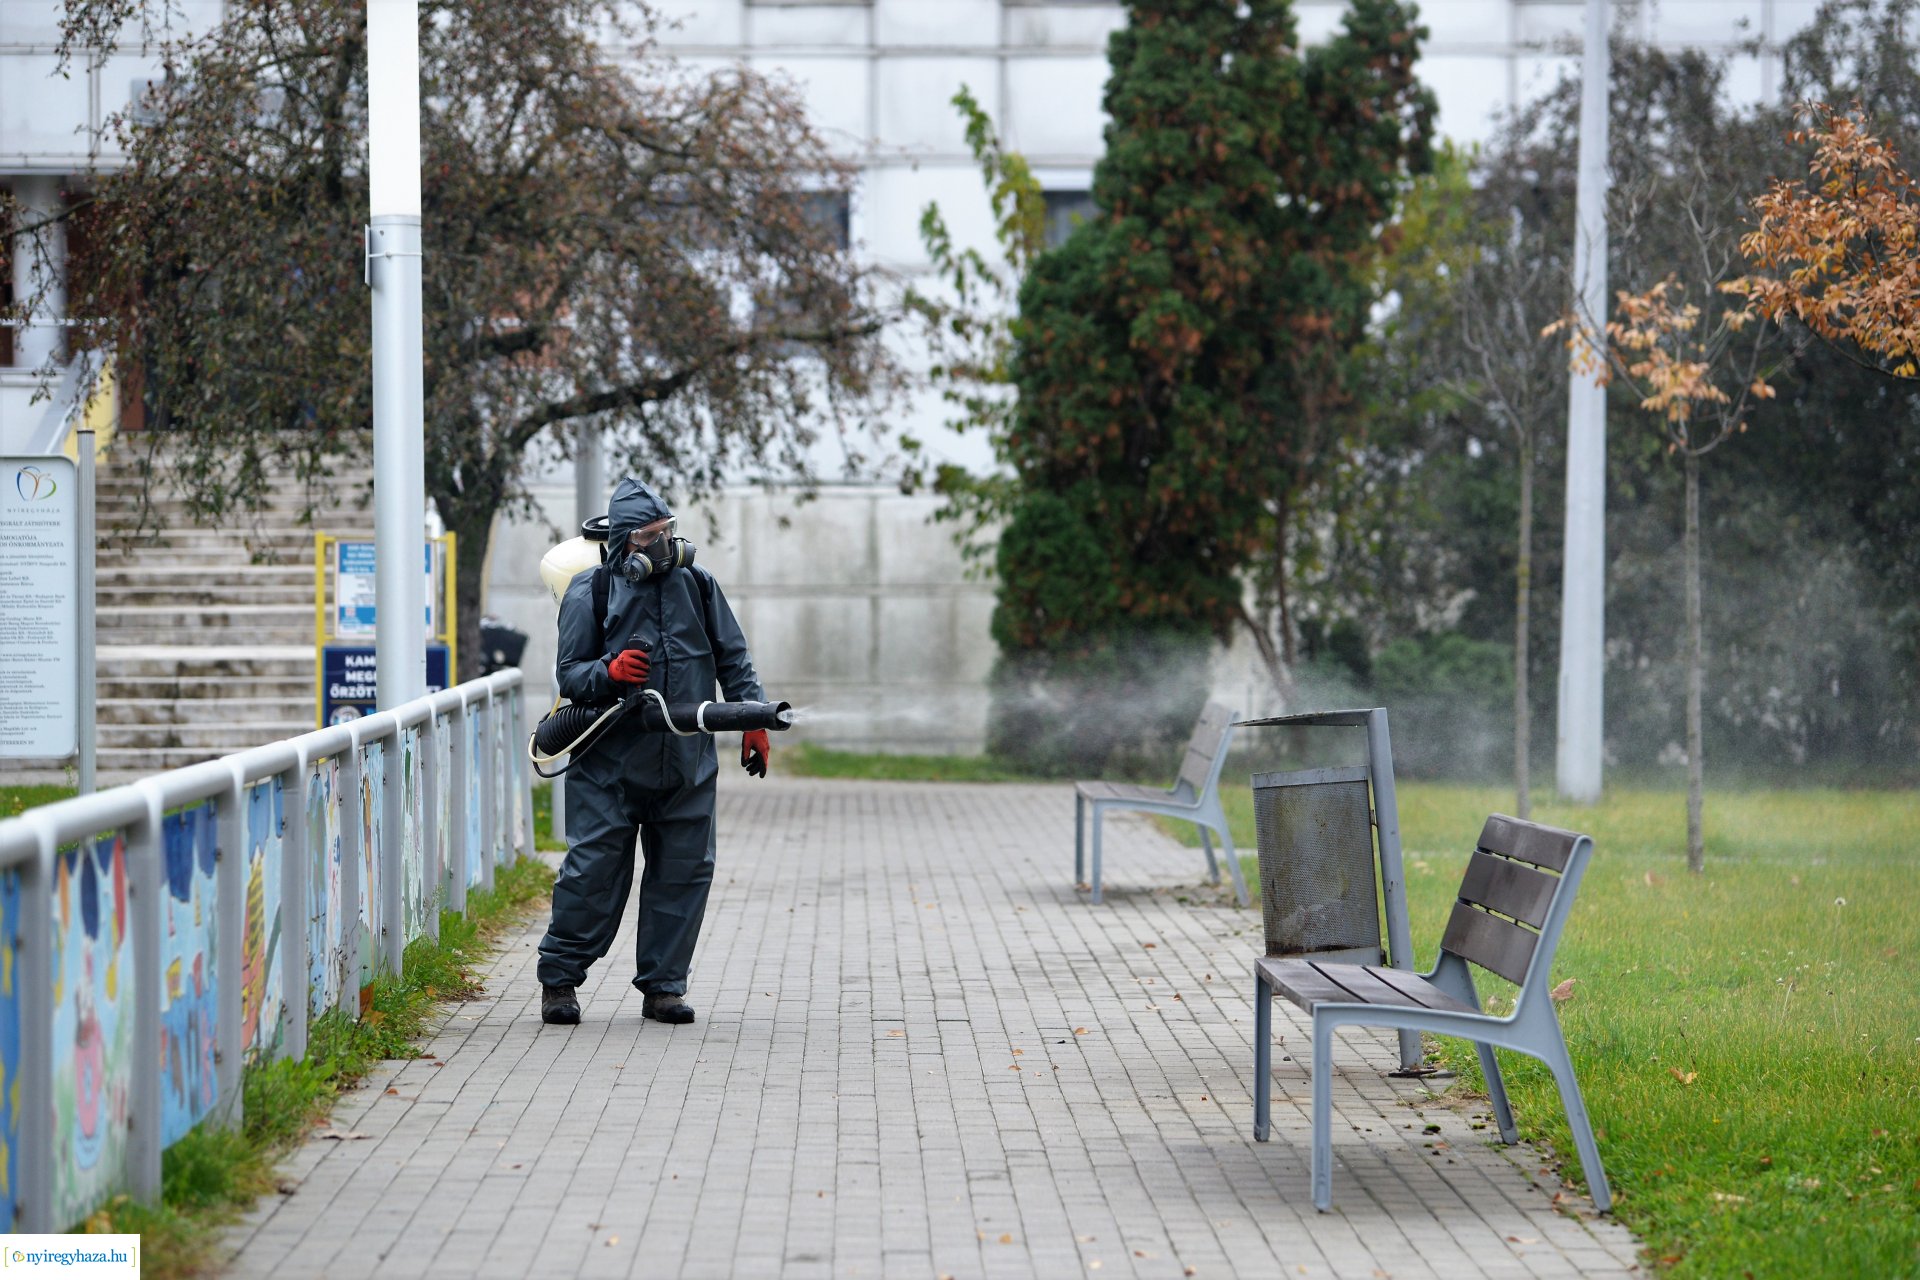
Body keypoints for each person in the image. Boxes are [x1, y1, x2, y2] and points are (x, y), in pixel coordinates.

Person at [537, 478, 770, 1026]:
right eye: (649, 536)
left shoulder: (698, 584)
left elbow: (732, 657)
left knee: (684, 872)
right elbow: (569, 675)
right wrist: (608, 672)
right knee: (592, 872)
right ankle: (560, 981)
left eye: (668, 532)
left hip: (685, 763)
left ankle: (663, 988)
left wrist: (752, 719)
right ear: (623, 544)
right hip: (608, 765)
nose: (664, 546)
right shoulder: (589, 592)